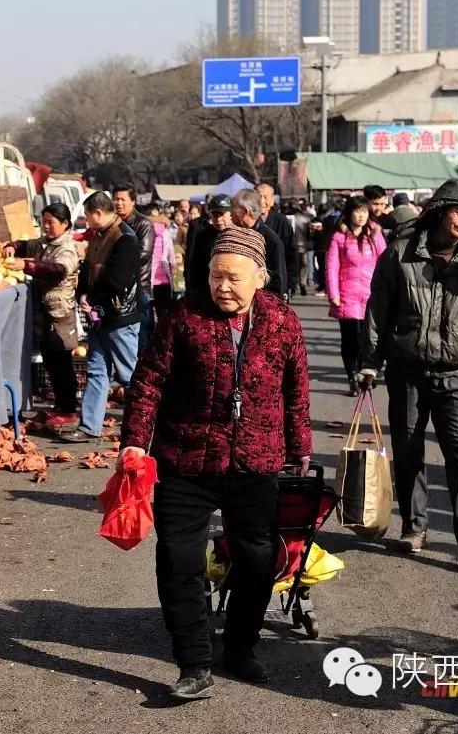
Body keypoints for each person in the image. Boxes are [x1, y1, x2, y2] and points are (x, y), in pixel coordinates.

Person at [121, 227, 311, 699]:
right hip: (186, 459)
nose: (222, 287)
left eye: (234, 278)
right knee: (178, 559)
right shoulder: (183, 318)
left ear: (260, 278)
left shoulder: (282, 321)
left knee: (256, 558)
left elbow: (296, 388)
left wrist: (299, 444)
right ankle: (193, 662)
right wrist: (135, 442)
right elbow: (148, 383)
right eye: (214, 276)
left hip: (255, 461)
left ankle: (241, 646)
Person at [362, 179, 458, 567]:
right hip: (407, 368)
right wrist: (369, 361)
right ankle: (414, 527)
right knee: (409, 451)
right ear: (440, 210)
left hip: (456, 369)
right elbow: (378, 309)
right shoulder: (400, 254)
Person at [60, 191, 141, 444]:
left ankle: (147, 427)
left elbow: (118, 279)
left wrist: (92, 298)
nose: (86, 221)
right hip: (99, 317)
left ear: (98, 213)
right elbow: (87, 270)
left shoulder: (125, 238)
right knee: (96, 371)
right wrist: (84, 294)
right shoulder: (98, 236)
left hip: (120, 318)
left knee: (131, 375)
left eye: (87, 215)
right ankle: (89, 426)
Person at [4, 203, 81, 432]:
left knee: (62, 363)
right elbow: (27, 245)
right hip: (45, 313)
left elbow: (56, 270)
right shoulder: (46, 243)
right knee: (51, 361)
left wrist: (26, 266)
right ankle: (60, 406)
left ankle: (68, 410)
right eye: (44, 221)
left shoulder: (66, 247)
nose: (46, 226)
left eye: (51, 222)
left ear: (65, 224)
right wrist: (12, 246)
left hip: (60, 314)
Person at [326, 196, 387, 396]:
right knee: (350, 339)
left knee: (368, 338)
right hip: (347, 294)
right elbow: (332, 266)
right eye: (357, 211)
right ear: (349, 212)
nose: (361, 216)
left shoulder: (375, 234)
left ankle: (365, 374)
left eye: (364, 211)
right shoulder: (339, 237)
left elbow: (385, 262)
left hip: (371, 294)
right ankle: (352, 376)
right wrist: (333, 293)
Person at [113, 186, 155, 352]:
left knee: (140, 336)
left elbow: (144, 256)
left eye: (123, 199)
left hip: (139, 288)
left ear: (133, 201)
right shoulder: (112, 223)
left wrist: (116, 264)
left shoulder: (143, 223)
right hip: (117, 288)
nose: (119, 203)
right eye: (116, 199)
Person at [230, 189, 286, 297]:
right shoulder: (233, 234)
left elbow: (277, 285)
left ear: (244, 211)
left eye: (233, 207)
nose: (230, 212)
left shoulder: (271, 240)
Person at [184, 195, 232, 298]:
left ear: (231, 214)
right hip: (205, 291)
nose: (219, 219)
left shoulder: (238, 236)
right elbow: (192, 263)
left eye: (222, 214)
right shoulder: (203, 236)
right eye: (215, 215)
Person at [256, 182, 297, 299]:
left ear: (273, 200)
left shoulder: (282, 221)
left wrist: (290, 283)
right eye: (259, 197)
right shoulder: (248, 220)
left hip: (277, 279)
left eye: (266, 197)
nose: (262, 201)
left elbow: (292, 252)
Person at [149, 207, 176, 320]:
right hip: (165, 278)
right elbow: (171, 255)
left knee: (149, 309)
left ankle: (151, 334)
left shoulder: (148, 231)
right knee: (164, 311)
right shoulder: (166, 232)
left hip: (149, 278)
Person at [293, 201, 315, 296]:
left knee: (294, 267)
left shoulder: (289, 219)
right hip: (303, 246)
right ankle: (302, 282)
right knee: (304, 266)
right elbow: (310, 234)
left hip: (292, 246)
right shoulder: (306, 219)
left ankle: (294, 285)